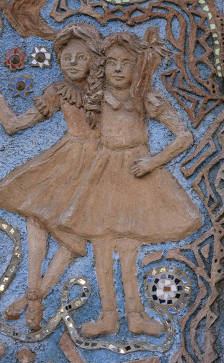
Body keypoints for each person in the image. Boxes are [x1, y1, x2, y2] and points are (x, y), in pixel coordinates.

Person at [57, 29, 202, 336]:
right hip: (103, 173)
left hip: (136, 173)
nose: (119, 69)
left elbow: (184, 136)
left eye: (126, 62)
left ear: (138, 67)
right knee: (101, 245)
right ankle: (108, 317)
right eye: (111, 63)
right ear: (102, 67)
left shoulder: (145, 100)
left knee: (128, 247)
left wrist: (153, 161)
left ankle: (135, 316)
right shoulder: (95, 99)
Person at [0, 23, 103, 329]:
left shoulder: (108, 93)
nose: (71, 63)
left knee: (72, 239)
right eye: (65, 57)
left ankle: (35, 298)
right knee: (37, 219)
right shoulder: (58, 91)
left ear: (95, 61)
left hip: (98, 167)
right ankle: (33, 295)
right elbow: (16, 126)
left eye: (79, 57)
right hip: (64, 160)